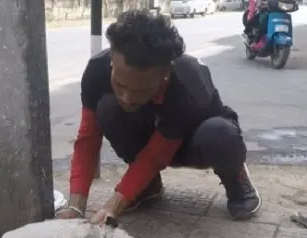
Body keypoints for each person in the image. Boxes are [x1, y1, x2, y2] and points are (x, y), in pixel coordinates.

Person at [55, 9, 261, 224]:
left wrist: (112, 206)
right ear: (112, 62)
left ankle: (235, 177)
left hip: (195, 142)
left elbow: (155, 156)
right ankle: (148, 186)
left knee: (219, 134)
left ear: (165, 73)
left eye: (141, 91)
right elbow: (87, 140)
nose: (127, 98)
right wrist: (76, 208)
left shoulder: (188, 83)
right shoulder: (97, 70)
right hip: (155, 131)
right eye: (120, 84)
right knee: (108, 108)